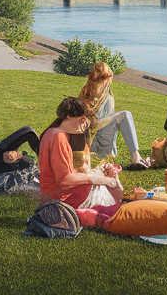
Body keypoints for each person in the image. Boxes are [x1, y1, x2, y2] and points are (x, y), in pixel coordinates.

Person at [39, 96, 124, 226]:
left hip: (56, 193)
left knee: (105, 176)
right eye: (81, 119)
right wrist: (97, 179)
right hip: (60, 197)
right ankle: (120, 210)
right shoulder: (58, 138)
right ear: (68, 117)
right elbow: (65, 179)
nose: (84, 122)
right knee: (111, 183)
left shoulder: (52, 133)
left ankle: (119, 207)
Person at [78, 62, 150, 170]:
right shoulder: (107, 98)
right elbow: (109, 130)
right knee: (126, 115)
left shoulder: (84, 93)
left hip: (88, 144)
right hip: (97, 146)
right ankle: (136, 156)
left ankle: (134, 156)